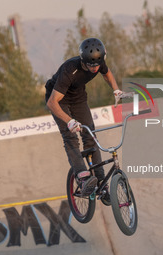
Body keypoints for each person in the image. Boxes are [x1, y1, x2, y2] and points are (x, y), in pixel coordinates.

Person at [45, 38, 125, 198]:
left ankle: (102, 183)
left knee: (90, 135)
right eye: (91, 65)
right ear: (83, 61)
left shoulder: (98, 61)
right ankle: (82, 177)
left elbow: (107, 73)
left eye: (97, 65)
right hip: (58, 100)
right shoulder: (70, 70)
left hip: (78, 98)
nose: (95, 68)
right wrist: (69, 121)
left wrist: (116, 90)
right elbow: (52, 103)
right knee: (70, 136)